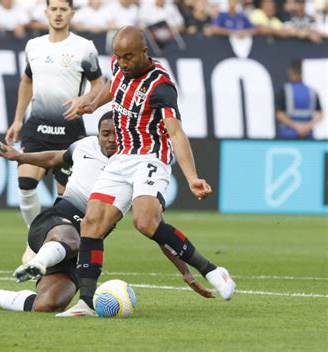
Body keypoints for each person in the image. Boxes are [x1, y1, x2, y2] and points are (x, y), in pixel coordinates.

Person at [0, 113, 213, 313]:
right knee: (73, 237)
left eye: (116, 133)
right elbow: (53, 158)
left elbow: (156, 226)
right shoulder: (84, 147)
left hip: (83, 250)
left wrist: (185, 271)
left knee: (48, 304)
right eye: (105, 133)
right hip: (54, 223)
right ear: (98, 135)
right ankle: (39, 261)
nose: (110, 139)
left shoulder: (137, 169)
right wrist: (21, 157)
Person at [57, 26, 236, 317]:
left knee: (145, 221)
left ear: (144, 52)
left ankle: (213, 271)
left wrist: (192, 178)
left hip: (150, 157)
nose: (123, 63)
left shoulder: (161, 87)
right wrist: (91, 103)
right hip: (121, 157)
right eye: (118, 57)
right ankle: (86, 302)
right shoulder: (119, 66)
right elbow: (113, 86)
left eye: (128, 57)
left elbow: (176, 133)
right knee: (91, 223)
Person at [4, 0, 104, 264]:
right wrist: (17, 120)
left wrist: (86, 101)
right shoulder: (33, 46)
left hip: (70, 134)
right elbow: (27, 80)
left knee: (66, 201)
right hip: (36, 128)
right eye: (54, 9)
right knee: (25, 184)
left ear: (71, 13)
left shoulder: (84, 48)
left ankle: (67, 249)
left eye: (63, 9)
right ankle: (35, 238)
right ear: (46, 12)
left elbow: (99, 84)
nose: (58, 14)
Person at [276, 59, 323, 139]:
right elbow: (320, 114)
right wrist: (306, 127)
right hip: (307, 134)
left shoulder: (285, 90)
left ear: (290, 71)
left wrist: (297, 127)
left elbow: (279, 115)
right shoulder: (312, 91)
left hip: (288, 135)